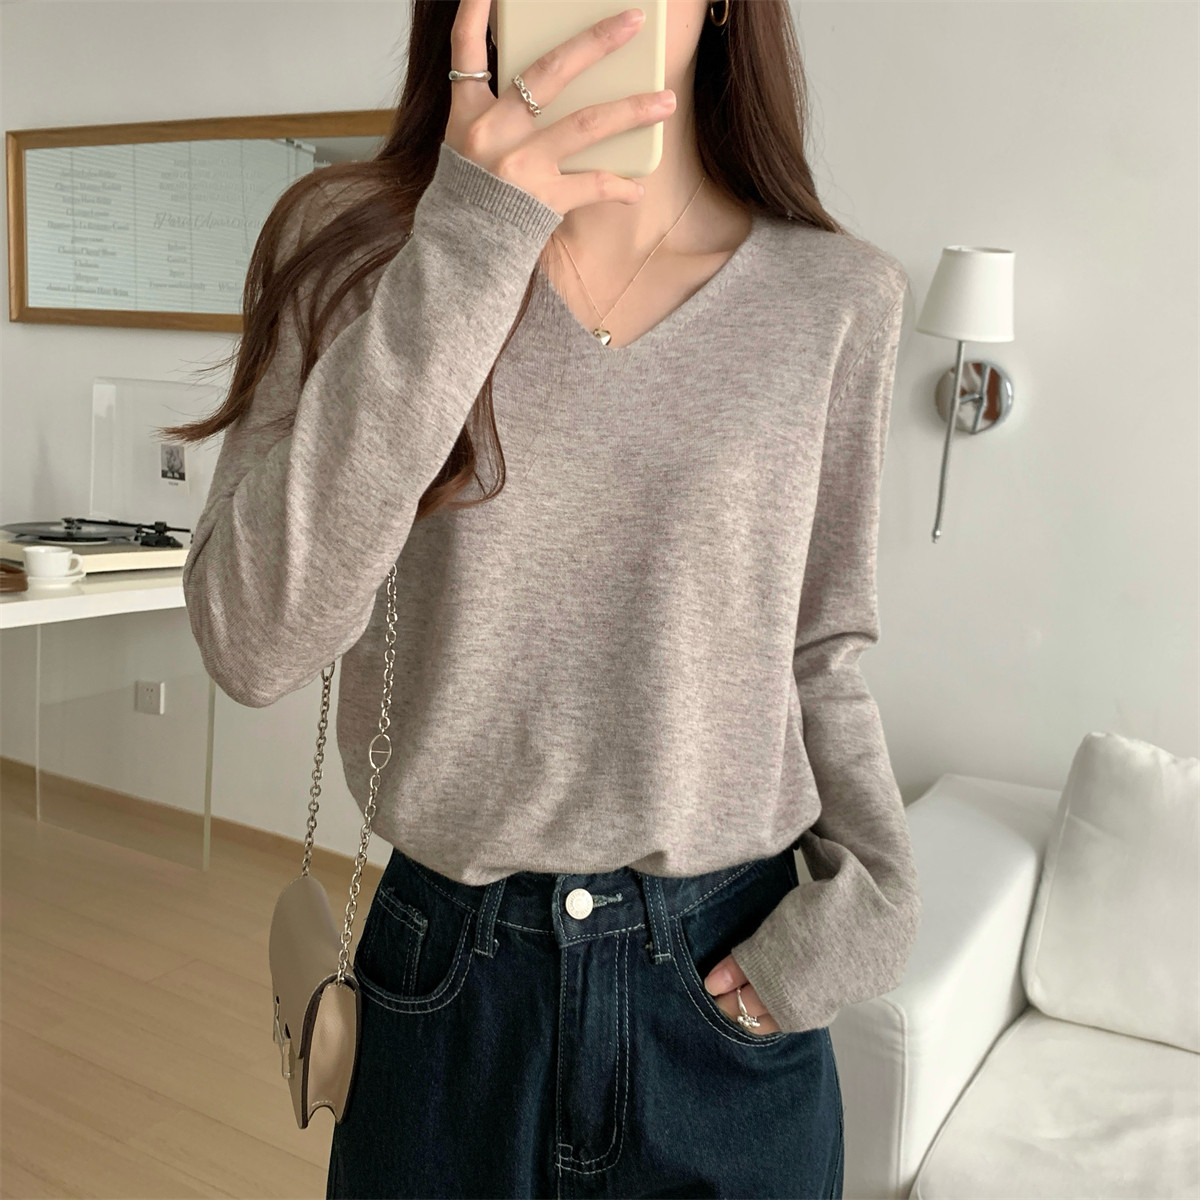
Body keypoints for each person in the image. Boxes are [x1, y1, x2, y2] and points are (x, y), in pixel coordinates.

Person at [170, 0, 923, 1195]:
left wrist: (876, 898)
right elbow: (251, 640)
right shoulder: (354, 247)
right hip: (446, 983)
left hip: (725, 983)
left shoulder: (837, 298)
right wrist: (471, 239)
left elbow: (820, 646)